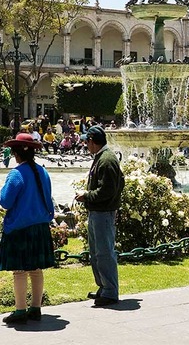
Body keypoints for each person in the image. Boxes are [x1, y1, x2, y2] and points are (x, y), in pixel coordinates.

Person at [0, 132, 56, 324]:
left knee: (19, 271)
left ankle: (20, 310)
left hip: (20, 228)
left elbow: (5, 201)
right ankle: (35, 308)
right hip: (40, 227)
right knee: (36, 269)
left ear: (16, 153)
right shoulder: (43, 171)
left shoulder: (16, 174)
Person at [75, 125, 125, 307]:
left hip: (103, 213)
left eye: (86, 142)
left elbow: (107, 190)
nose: (85, 145)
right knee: (97, 253)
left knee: (104, 253)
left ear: (92, 141)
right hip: (99, 212)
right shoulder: (102, 157)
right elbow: (120, 183)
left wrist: (87, 196)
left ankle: (110, 292)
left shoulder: (106, 160)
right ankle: (104, 287)